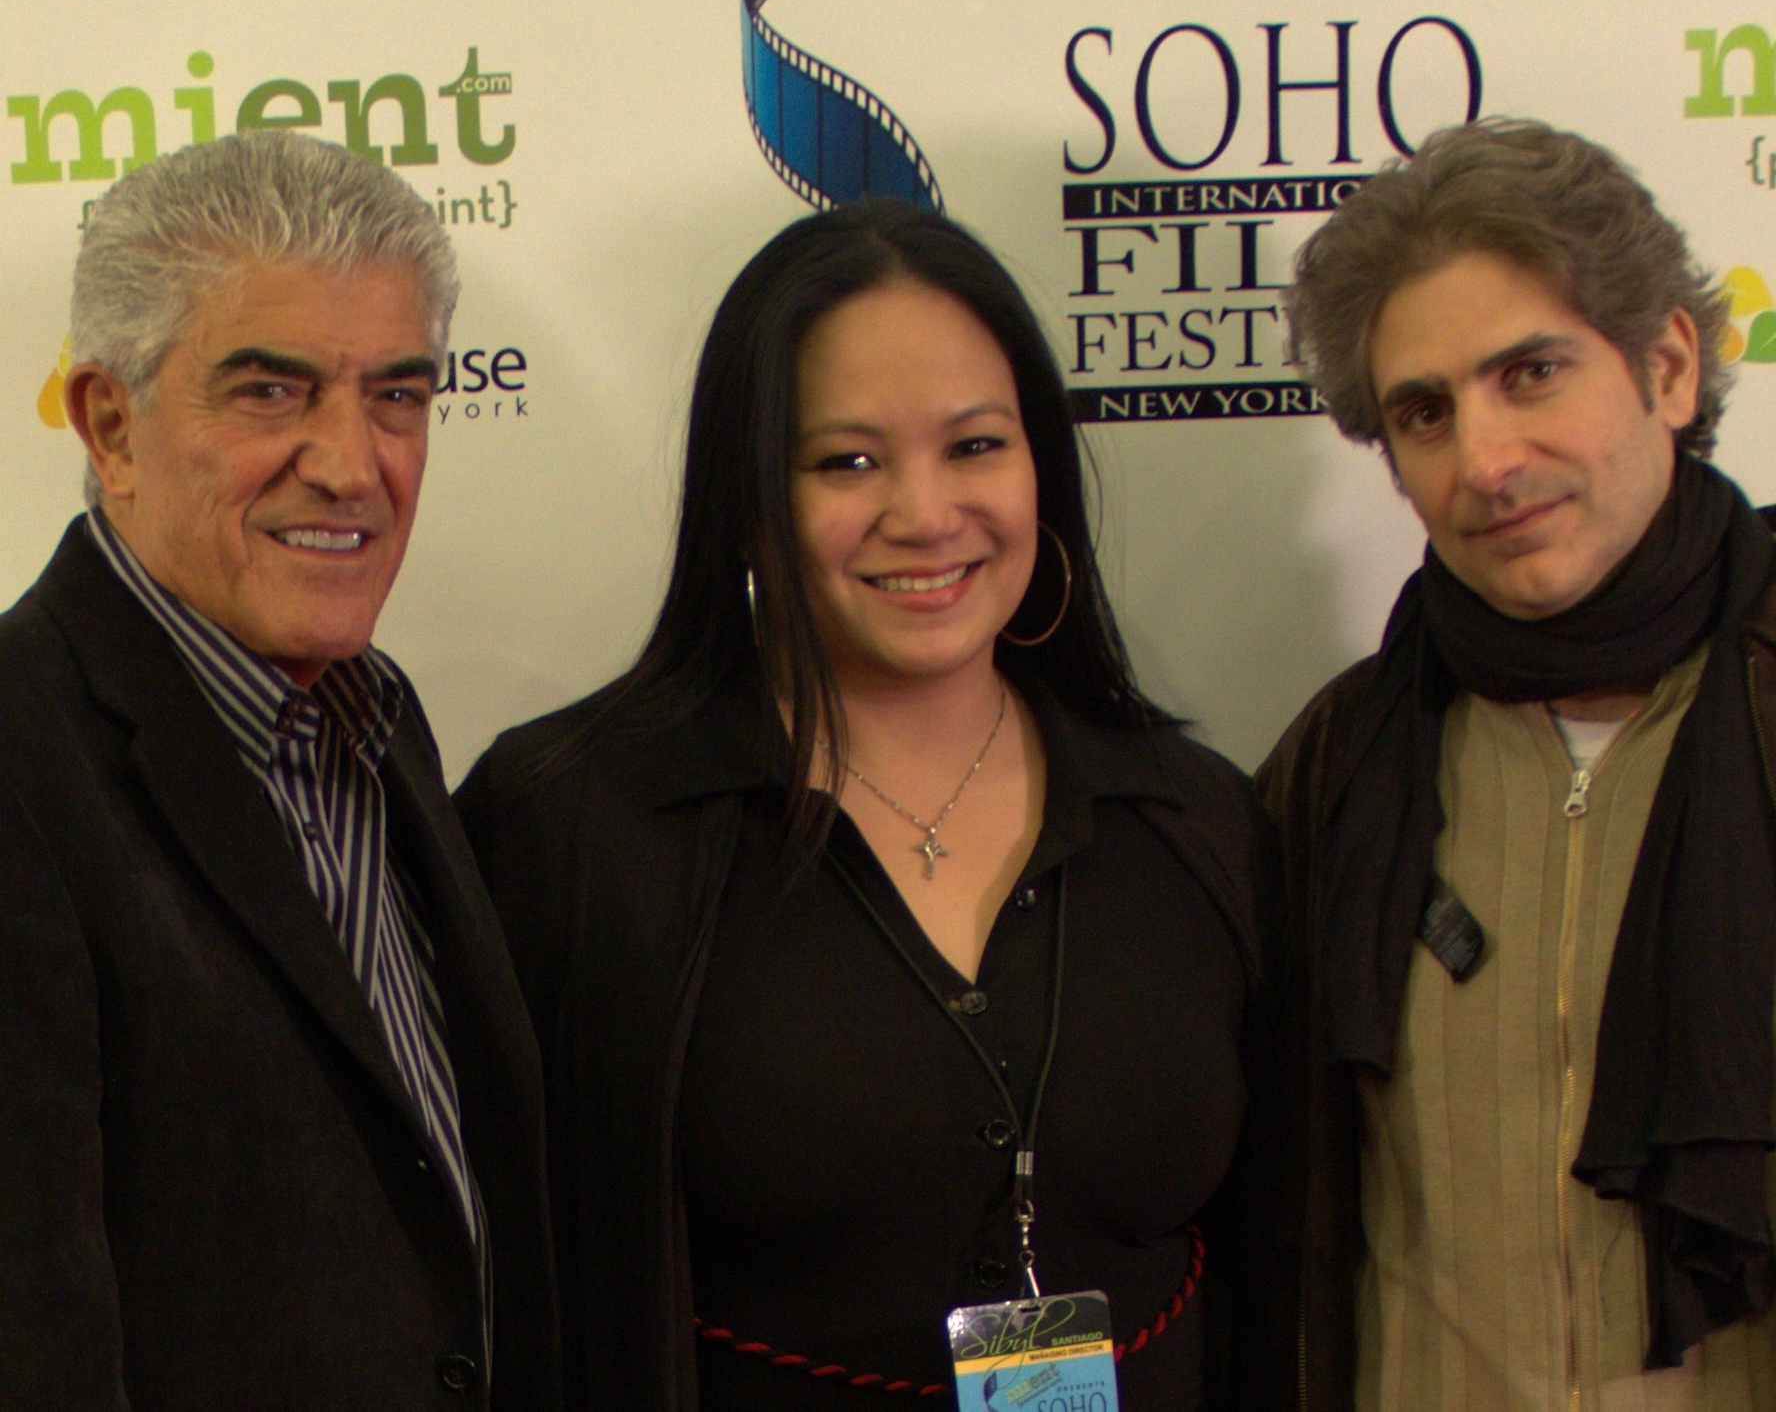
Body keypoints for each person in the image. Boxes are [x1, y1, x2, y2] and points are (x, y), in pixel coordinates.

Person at [455, 199, 1269, 1412]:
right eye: (848, 461)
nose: (926, 512)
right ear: (747, 496)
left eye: (976, 446)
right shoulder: (573, 825)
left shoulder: (1195, 816)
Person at [0, 132, 559, 1411]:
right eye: (271, 391)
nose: (352, 464)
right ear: (110, 421)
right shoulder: (21, 759)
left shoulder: (380, 720)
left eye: (398, 395)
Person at [1258, 117, 1776, 1411]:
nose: (1483, 461)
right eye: (1424, 413)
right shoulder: (1335, 768)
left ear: (1666, 365)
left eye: (1530, 372)